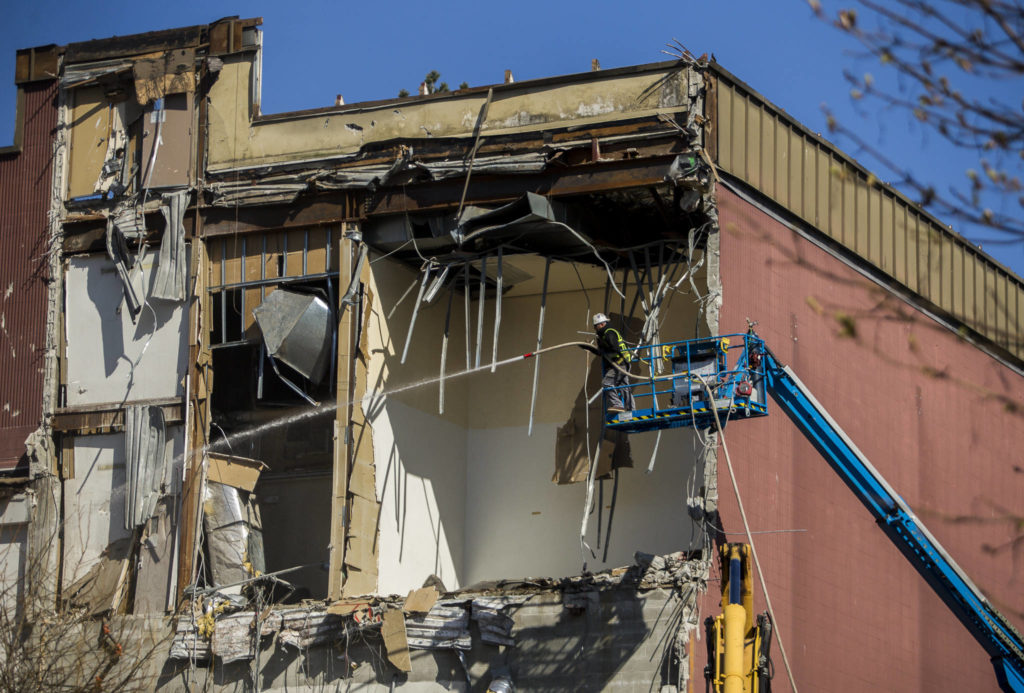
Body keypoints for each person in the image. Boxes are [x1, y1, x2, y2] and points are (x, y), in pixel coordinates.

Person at [593, 313, 635, 414]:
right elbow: (602, 352)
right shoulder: (606, 334)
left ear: (602, 324)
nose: (595, 328)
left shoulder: (609, 333)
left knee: (606, 383)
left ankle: (617, 405)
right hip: (623, 363)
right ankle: (631, 410)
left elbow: (614, 349)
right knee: (624, 387)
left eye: (596, 326)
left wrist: (604, 350)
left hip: (619, 364)